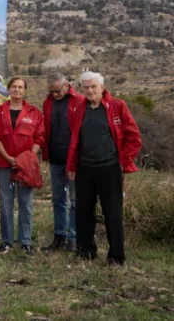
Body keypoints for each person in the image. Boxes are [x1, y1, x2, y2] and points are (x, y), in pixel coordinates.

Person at [67, 72, 142, 266]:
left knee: (112, 213)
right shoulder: (79, 108)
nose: (90, 90)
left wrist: (122, 162)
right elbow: (75, 140)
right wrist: (72, 166)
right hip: (84, 168)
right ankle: (86, 252)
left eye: (93, 86)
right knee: (83, 212)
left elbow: (134, 138)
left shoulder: (117, 106)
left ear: (102, 87)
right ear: (82, 89)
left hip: (109, 168)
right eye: (86, 87)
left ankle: (116, 256)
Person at [0, 77, 45, 257]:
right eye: (14, 87)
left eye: (20, 87)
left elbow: (40, 137)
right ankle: (6, 241)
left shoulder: (34, 112)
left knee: (25, 203)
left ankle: (26, 242)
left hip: (26, 166)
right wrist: (9, 158)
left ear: (25, 90)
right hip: (4, 163)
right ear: (8, 89)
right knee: (6, 204)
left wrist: (28, 157)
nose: (17, 90)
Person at [41, 72, 85, 253]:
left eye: (57, 91)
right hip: (55, 158)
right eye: (51, 92)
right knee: (58, 200)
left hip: (75, 159)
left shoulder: (80, 101)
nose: (55, 95)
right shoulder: (48, 103)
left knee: (75, 201)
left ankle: (73, 238)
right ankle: (59, 236)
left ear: (67, 85)